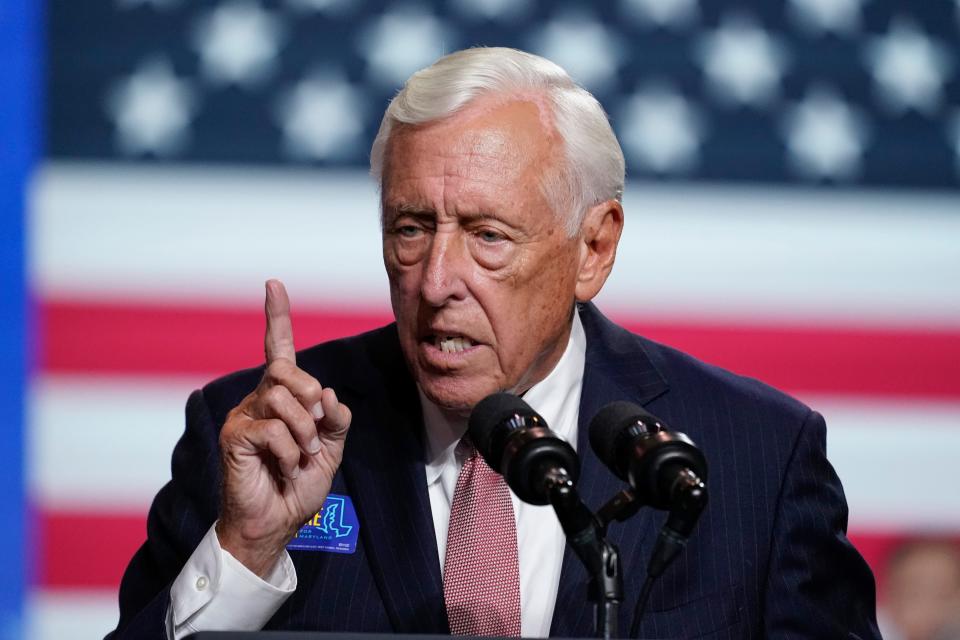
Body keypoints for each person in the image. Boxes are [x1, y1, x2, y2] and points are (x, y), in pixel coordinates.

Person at [108, 47, 880, 639]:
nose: (437, 279)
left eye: (487, 235)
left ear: (593, 249)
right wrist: (244, 553)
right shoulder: (258, 439)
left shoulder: (760, 458)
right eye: (410, 229)